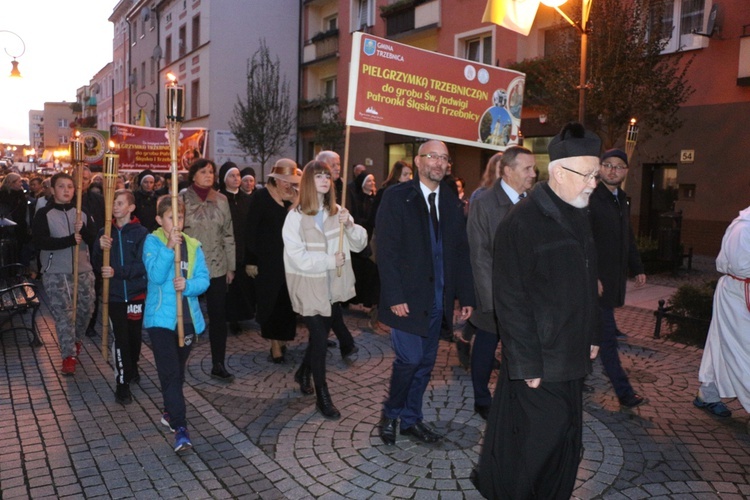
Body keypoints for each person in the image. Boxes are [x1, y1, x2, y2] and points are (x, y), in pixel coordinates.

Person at [473, 122, 601, 499]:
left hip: (572, 351)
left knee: (566, 440)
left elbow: (589, 282)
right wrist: (526, 362)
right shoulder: (522, 221)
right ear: (560, 172)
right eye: (588, 174)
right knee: (537, 447)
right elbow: (510, 299)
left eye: (596, 174)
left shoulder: (580, 211)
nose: (594, 182)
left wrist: (594, 333)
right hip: (541, 361)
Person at [376, 139, 474, 445]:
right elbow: (387, 249)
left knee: (426, 363)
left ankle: (411, 419)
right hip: (406, 299)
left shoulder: (451, 200)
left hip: (439, 300)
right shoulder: (397, 196)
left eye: (444, 159)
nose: (439, 163)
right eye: (433, 156)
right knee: (409, 359)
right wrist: (394, 295)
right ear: (418, 161)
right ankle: (391, 413)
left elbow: (460, 251)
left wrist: (466, 296)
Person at [282, 161, 368, 419]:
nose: (324, 180)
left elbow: (360, 244)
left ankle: (303, 372)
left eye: (327, 176)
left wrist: (350, 225)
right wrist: (329, 261)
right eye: (318, 176)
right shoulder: (295, 216)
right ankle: (323, 395)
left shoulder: (337, 212)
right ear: (308, 181)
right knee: (320, 340)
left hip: (332, 284)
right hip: (309, 283)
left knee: (319, 337)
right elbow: (296, 256)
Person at [463, 147, 536, 420]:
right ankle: (482, 398)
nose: (533, 173)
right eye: (527, 168)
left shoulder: (534, 200)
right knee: (486, 344)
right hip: (493, 295)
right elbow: (479, 254)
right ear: (507, 170)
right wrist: (491, 300)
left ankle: (515, 396)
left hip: (527, 294)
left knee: (519, 349)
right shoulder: (484, 203)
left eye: (533, 168)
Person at [143, 195, 210, 452]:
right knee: (170, 372)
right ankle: (181, 428)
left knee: (178, 373)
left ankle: (170, 411)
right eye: (172, 217)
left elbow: (204, 279)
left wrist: (189, 285)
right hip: (161, 319)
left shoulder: (194, 245)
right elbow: (156, 275)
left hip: (188, 319)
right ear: (160, 220)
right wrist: (168, 247)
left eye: (180, 217)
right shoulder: (153, 241)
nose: (177, 222)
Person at [589, 148, 648, 408]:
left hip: (611, 282)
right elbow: (584, 240)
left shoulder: (621, 198)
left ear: (625, 171)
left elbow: (628, 237)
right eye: (608, 165)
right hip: (595, 284)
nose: (613, 170)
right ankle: (624, 392)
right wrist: (592, 276)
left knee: (589, 335)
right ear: (600, 168)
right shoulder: (591, 196)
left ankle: (574, 378)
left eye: (618, 167)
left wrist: (638, 267)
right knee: (607, 339)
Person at [32, 172, 97, 375]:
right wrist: (70, 239)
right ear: (53, 189)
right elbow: (41, 241)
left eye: (70, 186)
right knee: (64, 315)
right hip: (57, 272)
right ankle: (68, 356)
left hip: (83, 270)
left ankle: (76, 340)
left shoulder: (82, 212)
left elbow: (94, 239)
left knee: (86, 311)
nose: (66, 190)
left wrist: (83, 230)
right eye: (61, 186)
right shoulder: (44, 214)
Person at [180, 159, 236, 382]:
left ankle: (218, 363)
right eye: (203, 171)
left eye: (211, 172)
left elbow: (228, 234)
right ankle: (179, 359)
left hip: (216, 265)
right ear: (193, 175)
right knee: (185, 315)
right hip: (190, 267)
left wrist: (231, 266)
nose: (208, 175)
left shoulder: (221, 200)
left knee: (218, 316)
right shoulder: (182, 199)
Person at [92, 189, 148, 405]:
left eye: (120, 202)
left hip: (135, 295)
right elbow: (97, 264)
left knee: (134, 338)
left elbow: (143, 266)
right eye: (112, 202)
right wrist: (99, 247)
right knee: (121, 339)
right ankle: (122, 384)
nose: (115, 206)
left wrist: (119, 271)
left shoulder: (141, 233)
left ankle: (132, 367)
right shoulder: (105, 232)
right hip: (114, 295)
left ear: (131, 207)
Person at [694, 205, 750, 418]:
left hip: (742, 292)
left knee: (722, 345)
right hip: (737, 295)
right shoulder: (744, 228)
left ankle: (708, 394)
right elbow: (740, 266)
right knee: (742, 348)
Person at [245, 159, 301, 363]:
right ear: (275, 179)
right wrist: (250, 260)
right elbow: (250, 230)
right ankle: (275, 346)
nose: (289, 184)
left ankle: (283, 338)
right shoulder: (261, 197)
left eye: (291, 180)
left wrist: (296, 200)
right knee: (271, 302)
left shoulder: (293, 198)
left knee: (287, 302)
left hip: (290, 260)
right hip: (267, 260)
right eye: (285, 180)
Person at [218, 161, 254, 332]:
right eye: (232, 176)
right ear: (224, 179)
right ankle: (232, 319)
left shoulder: (247, 199)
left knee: (243, 285)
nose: (236, 179)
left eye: (238, 175)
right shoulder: (219, 199)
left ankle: (243, 315)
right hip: (226, 249)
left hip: (244, 248)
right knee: (229, 287)